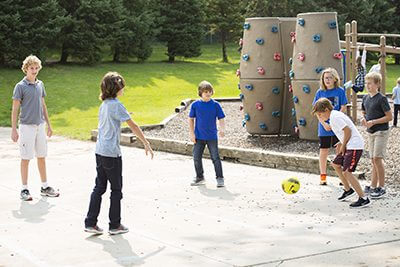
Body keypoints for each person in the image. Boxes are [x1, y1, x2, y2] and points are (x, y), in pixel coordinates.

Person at [84, 72, 154, 235]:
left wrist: (126, 114)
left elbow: (115, 119)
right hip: (111, 154)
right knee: (116, 190)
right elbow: (134, 126)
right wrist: (146, 142)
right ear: (116, 88)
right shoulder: (116, 105)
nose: (124, 89)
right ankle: (115, 225)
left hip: (100, 152)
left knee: (99, 187)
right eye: (122, 86)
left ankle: (90, 222)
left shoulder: (105, 104)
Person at [11, 55, 59, 201]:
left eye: (36, 68)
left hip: (40, 126)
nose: (34, 70)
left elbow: (43, 105)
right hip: (26, 127)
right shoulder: (20, 86)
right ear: (26, 69)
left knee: (42, 157)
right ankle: (24, 189)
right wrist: (14, 129)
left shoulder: (40, 85)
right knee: (26, 158)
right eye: (31, 68)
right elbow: (15, 109)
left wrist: (49, 125)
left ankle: (45, 187)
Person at [312, 98, 370, 208]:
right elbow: (345, 131)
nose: (320, 117)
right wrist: (340, 142)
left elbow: (348, 130)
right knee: (336, 164)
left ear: (326, 109)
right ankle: (348, 189)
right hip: (348, 144)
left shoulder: (335, 118)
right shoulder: (333, 116)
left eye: (320, 114)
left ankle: (363, 198)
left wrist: (343, 145)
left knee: (347, 172)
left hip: (354, 146)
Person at [312, 68, 348, 185]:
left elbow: (343, 106)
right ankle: (323, 176)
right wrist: (324, 123)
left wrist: (335, 122)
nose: (327, 80)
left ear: (335, 79)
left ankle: (341, 176)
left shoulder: (340, 91)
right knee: (324, 151)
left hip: (337, 126)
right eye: (325, 78)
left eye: (330, 77)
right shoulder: (320, 93)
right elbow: (316, 111)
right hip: (325, 127)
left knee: (339, 150)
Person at [189, 81, 226, 188]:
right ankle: (199, 177)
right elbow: (191, 119)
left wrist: (222, 129)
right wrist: (192, 133)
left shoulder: (215, 105)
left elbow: (221, 118)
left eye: (210, 91)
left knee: (215, 158)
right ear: (200, 92)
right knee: (196, 157)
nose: (208, 93)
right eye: (205, 92)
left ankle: (220, 178)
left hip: (211, 137)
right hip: (199, 137)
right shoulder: (195, 105)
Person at [361, 72, 392, 199]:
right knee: (373, 160)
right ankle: (373, 186)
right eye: (366, 83)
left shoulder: (382, 99)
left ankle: (382, 187)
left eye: (370, 83)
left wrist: (373, 122)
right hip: (371, 132)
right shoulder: (365, 98)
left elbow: (389, 117)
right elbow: (364, 112)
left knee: (377, 159)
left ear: (377, 84)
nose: (367, 86)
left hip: (381, 132)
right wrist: (364, 120)